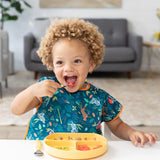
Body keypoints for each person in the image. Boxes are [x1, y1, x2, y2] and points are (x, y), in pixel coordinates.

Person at [11, 18, 157, 146]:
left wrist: (132, 133)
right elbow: (16, 110)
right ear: (52, 65)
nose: (68, 68)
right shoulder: (44, 87)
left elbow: (117, 125)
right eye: (60, 62)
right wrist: (32, 91)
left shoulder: (99, 97)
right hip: (43, 152)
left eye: (77, 61)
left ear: (91, 64)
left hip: (84, 154)